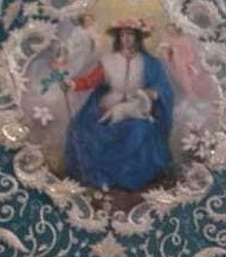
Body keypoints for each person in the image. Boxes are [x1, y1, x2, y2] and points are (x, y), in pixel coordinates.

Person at [63, 19, 174, 191]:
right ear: (118, 38)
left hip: (136, 109)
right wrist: (72, 84)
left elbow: (162, 87)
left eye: (130, 35)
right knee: (85, 129)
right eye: (122, 35)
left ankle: (131, 179)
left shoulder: (150, 63)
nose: (126, 39)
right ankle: (101, 177)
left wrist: (151, 93)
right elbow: (90, 80)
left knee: (139, 130)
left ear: (138, 37)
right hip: (108, 107)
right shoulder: (108, 61)